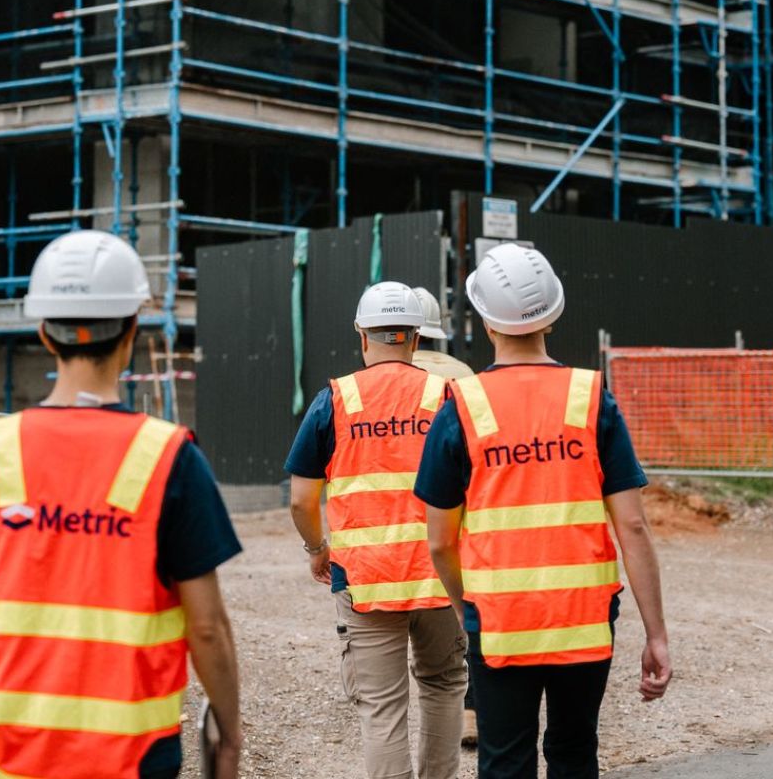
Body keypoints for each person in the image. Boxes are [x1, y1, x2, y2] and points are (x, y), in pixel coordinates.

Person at [0, 229, 243, 779]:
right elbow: (207, 628)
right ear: (132, 328)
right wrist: (229, 735)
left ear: (44, 332)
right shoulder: (170, 455)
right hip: (126, 761)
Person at [415, 242, 671, 779]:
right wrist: (656, 634)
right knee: (575, 753)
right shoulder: (591, 396)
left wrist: (470, 609)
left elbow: (439, 540)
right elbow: (633, 525)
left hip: (501, 621)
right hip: (584, 618)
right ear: (552, 317)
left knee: (505, 761)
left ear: (486, 320)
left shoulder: (462, 404)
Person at [286, 281, 467, 779]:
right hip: (443, 575)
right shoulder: (449, 396)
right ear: (414, 336)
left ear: (362, 335)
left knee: (382, 708)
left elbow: (302, 499)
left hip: (366, 580)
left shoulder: (334, 400)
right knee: (444, 685)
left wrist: (317, 548)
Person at [410, 285, 478, 749]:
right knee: (463, 622)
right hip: (458, 519)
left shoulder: (381, 373)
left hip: (395, 527)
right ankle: (470, 714)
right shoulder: (464, 375)